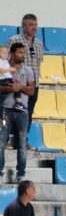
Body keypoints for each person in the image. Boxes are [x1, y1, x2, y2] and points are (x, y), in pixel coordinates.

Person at [0, 43, 35, 184]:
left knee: (21, 144)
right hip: (5, 111)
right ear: (12, 53)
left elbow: (31, 90)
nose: (22, 55)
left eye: (23, 52)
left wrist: (20, 87)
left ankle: (21, 174)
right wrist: (9, 89)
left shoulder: (28, 70)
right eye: (19, 52)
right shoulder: (4, 67)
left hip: (22, 112)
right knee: (1, 142)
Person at [5, 14, 43, 143]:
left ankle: (21, 141)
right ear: (23, 26)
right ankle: (6, 140)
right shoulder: (13, 40)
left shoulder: (39, 44)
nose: (34, 28)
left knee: (28, 114)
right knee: (10, 112)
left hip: (32, 86)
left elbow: (38, 64)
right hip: (15, 85)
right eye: (31, 25)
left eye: (36, 25)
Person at [0, 46, 17, 120]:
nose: (5, 54)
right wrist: (10, 69)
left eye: (6, 53)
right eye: (3, 52)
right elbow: (1, 71)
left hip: (8, 79)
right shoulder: (0, 61)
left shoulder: (5, 61)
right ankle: (1, 115)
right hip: (3, 81)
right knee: (2, 99)